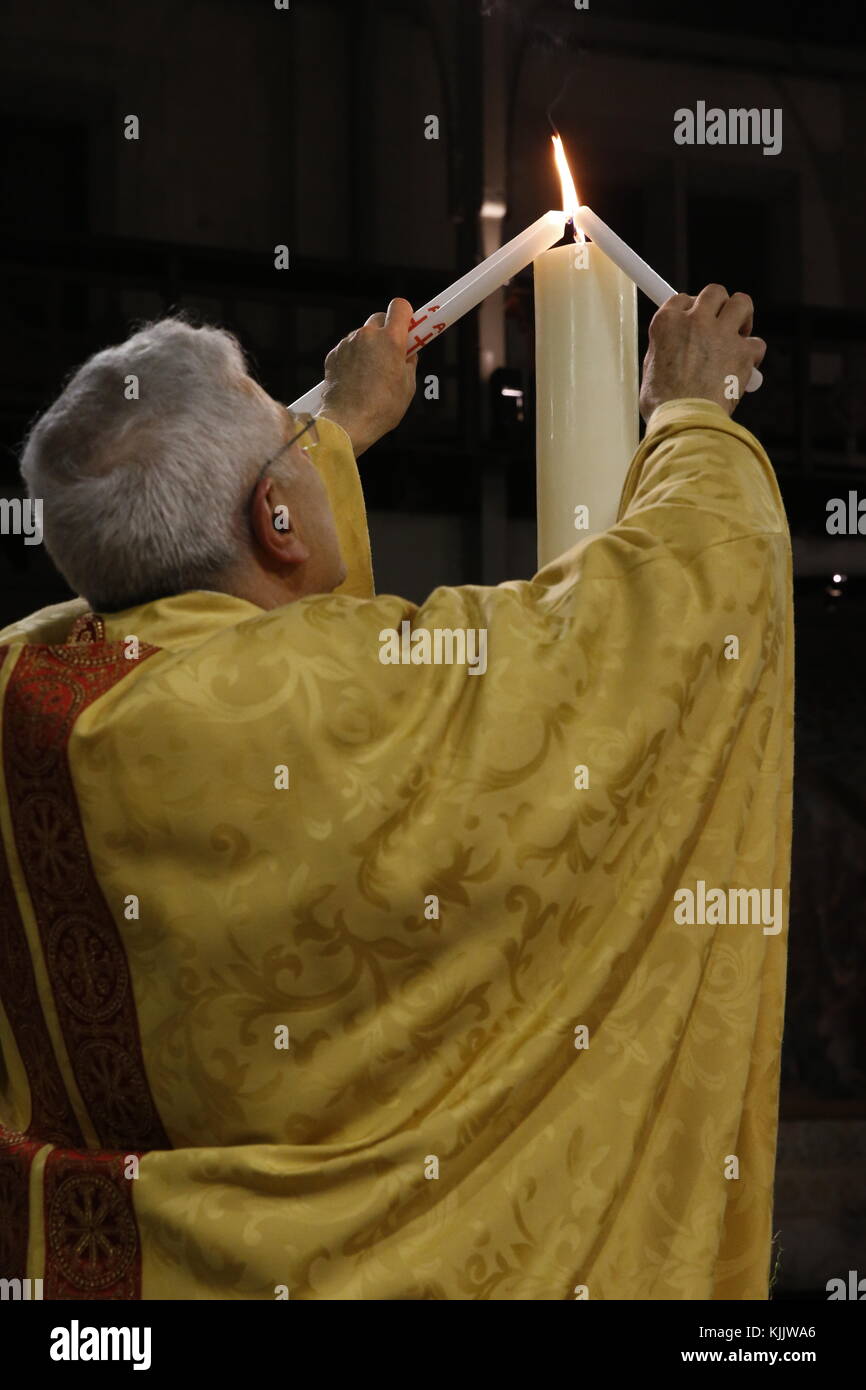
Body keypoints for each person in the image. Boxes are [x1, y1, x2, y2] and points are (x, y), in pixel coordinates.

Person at [0, 287, 788, 1300]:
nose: (310, 440)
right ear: (275, 521)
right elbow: (650, 620)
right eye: (294, 435)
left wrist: (334, 416)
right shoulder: (371, 695)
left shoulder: (28, 687)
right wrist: (690, 418)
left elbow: (164, 575)